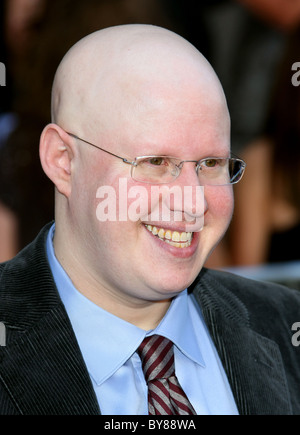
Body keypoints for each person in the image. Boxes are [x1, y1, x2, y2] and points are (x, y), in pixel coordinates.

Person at [0, 24, 299, 416]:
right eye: (156, 162)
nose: (192, 202)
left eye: (211, 164)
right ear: (63, 160)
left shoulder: (285, 327)